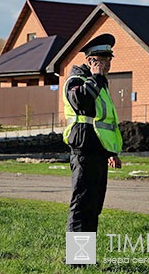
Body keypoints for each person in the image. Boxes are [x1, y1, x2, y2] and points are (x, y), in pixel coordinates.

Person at [63, 33, 123, 233]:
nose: (107, 65)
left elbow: (105, 123)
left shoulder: (100, 84)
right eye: (103, 61)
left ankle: (86, 257)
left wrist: (111, 152)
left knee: (93, 207)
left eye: (109, 60)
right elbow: (81, 102)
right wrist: (96, 77)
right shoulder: (76, 79)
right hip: (83, 152)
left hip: (98, 153)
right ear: (91, 61)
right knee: (82, 207)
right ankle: (78, 260)